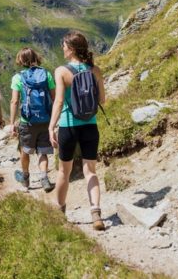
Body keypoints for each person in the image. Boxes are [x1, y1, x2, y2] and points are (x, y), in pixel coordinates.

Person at [49, 31, 106, 231]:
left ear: (71, 48)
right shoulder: (95, 70)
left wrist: (51, 126)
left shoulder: (62, 71)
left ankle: (59, 211)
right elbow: (102, 100)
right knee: (90, 171)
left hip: (68, 126)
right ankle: (96, 213)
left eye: (64, 45)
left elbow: (58, 101)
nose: (62, 48)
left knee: (64, 171)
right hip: (91, 126)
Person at [10, 47, 56, 192]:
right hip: (45, 119)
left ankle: (25, 178)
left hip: (27, 121)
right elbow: (54, 98)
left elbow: (14, 101)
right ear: (36, 57)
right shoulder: (46, 75)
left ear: (21, 61)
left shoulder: (18, 77)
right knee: (42, 151)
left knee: (25, 150)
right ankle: (44, 178)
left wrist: (12, 123)